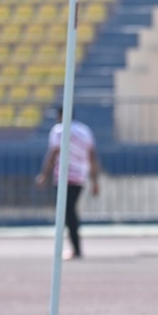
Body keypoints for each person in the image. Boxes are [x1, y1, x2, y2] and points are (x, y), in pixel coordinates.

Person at [36, 106, 100, 260]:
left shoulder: (59, 131)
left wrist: (44, 174)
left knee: (67, 212)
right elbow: (92, 156)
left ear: (60, 116)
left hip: (63, 177)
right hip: (80, 177)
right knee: (69, 211)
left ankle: (76, 249)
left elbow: (53, 153)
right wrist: (95, 181)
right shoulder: (85, 131)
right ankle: (75, 248)